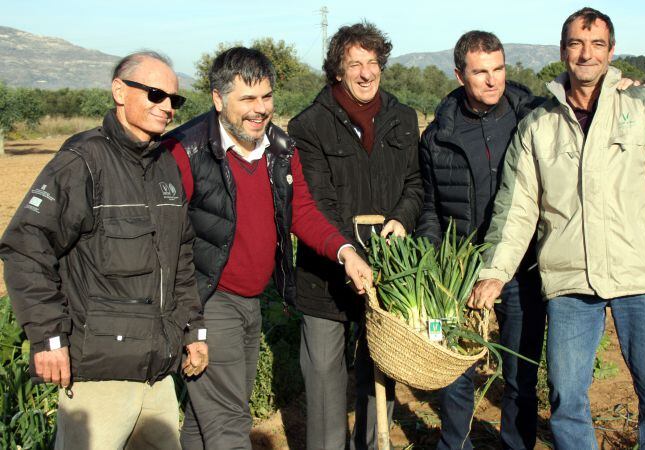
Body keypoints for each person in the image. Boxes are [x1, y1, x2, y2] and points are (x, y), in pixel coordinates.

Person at [469, 7, 645, 449]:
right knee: (568, 400)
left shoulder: (644, 107)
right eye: (576, 44)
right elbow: (516, 210)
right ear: (563, 52)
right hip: (571, 283)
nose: (585, 54)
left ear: (612, 51)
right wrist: (494, 271)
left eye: (596, 44)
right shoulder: (538, 124)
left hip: (640, 275)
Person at [163, 46, 372, 450]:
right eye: (248, 99)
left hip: (251, 298)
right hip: (207, 297)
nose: (260, 109)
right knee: (229, 420)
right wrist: (188, 320)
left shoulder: (279, 148)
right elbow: (168, 242)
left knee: (204, 417)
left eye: (267, 97)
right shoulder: (185, 151)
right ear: (219, 99)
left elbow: (303, 212)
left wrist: (345, 253)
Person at [0, 51, 208, 450]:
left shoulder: (165, 165)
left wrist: (192, 329)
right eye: (154, 94)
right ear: (118, 90)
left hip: (157, 377)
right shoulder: (83, 161)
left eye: (174, 100)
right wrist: (48, 337)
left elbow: (181, 257)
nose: (166, 107)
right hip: (100, 379)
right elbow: (26, 245)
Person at [288, 22, 423, 449]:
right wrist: (348, 251)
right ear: (337, 71)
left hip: (387, 276)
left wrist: (402, 218)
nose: (366, 73)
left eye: (373, 62)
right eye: (354, 64)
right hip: (325, 278)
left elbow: (416, 184)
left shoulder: (402, 119)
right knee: (326, 383)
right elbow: (315, 203)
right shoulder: (309, 125)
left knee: (377, 377)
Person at [417, 31, 545, 450]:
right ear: (459, 75)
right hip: (458, 272)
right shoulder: (437, 137)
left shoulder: (535, 118)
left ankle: (516, 444)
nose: (492, 81)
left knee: (519, 374)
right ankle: (456, 444)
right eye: (480, 73)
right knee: (454, 372)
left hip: (520, 268)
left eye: (498, 70)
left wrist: (624, 87)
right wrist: (435, 264)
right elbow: (431, 209)